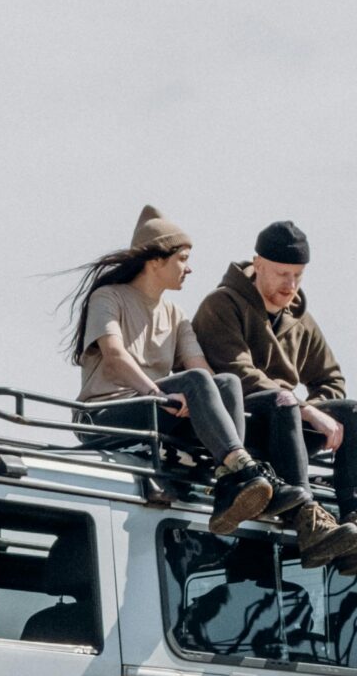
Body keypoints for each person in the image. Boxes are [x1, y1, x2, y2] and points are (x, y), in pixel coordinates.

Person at [190, 220, 357, 573]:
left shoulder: (299, 317)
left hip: (289, 423)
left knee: (356, 411)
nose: (290, 285)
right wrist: (307, 410)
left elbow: (331, 378)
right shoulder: (222, 305)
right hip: (241, 424)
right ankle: (307, 516)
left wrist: (317, 411)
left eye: (298, 276)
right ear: (258, 264)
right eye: (281, 274)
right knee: (284, 401)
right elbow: (238, 374)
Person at [69, 205, 291, 538]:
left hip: (156, 412)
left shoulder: (175, 313)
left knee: (225, 382)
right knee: (200, 382)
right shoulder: (109, 297)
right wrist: (159, 396)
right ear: (155, 260)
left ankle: (230, 481)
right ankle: (240, 467)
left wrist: (193, 393)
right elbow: (115, 356)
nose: (189, 269)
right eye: (183, 258)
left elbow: (202, 371)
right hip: (106, 414)